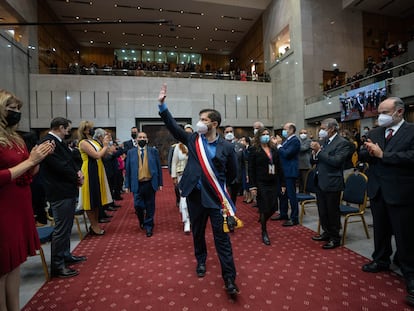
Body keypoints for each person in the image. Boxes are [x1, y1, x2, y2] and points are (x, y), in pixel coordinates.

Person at [157, 83, 240, 295]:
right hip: (194, 195)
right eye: (200, 119)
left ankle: (229, 279)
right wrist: (162, 106)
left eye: (204, 120)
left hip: (216, 199)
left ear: (214, 123)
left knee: (222, 239)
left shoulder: (228, 147)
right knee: (198, 232)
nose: (199, 123)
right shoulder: (193, 139)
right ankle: (201, 260)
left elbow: (232, 174)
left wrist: (222, 187)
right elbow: (174, 128)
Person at [0, 89, 54, 311]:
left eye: (18, 109)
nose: (15, 112)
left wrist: (38, 158)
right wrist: (30, 160)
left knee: (15, 265)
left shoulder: (15, 138)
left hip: (20, 204)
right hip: (4, 207)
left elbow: (28, 173)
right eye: (11, 108)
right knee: (2, 268)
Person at [359, 97, 414, 307]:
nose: (380, 116)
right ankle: (380, 259)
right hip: (378, 190)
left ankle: (410, 274)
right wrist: (369, 151)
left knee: (405, 235)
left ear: (399, 112)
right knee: (380, 230)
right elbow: (362, 152)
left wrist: (384, 154)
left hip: (402, 192)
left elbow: (411, 156)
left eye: (384, 112)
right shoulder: (375, 132)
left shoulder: (411, 131)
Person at [39, 117, 87, 278]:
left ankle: (65, 255)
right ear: (60, 127)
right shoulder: (48, 142)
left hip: (67, 189)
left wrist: (77, 172)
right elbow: (59, 166)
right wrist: (76, 176)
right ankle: (58, 265)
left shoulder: (58, 142)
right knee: (61, 229)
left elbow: (70, 160)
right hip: (59, 191)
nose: (68, 132)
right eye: (67, 129)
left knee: (66, 227)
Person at [310, 118, 353, 249]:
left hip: (332, 182)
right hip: (320, 180)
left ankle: (335, 238)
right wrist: (314, 154)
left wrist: (319, 151)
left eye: (323, 128)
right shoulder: (323, 141)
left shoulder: (343, 143)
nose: (320, 131)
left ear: (332, 128)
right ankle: (326, 232)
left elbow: (336, 161)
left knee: (332, 211)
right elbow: (317, 160)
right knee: (322, 211)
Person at [249, 128, 286, 245]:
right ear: (258, 136)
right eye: (263, 134)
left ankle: (262, 217)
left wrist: (283, 183)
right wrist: (253, 186)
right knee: (264, 206)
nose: (265, 136)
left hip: (273, 181)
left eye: (267, 134)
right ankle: (264, 231)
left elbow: (279, 167)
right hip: (261, 182)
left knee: (274, 207)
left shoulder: (274, 149)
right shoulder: (254, 150)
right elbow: (251, 169)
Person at [124, 131, 162, 237]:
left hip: (150, 183)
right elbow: (128, 170)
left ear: (147, 139)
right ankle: (141, 219)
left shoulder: (153, 151)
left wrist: (160, 183)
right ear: (136, 140)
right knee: (138, 205)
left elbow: (158, 168)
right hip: (137, 184)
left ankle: (149, 226)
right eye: (140, 137)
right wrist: (127, 185)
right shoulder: (131, 152)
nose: (142, 139)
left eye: (144, 137)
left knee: (150, 206)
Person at [78, 122, 112, 235]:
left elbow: (104, 154)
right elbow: (97, 155)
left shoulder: (93, 141)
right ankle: (93, 225)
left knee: (97, 199)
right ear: (84, 131)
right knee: (90, 199)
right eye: (90, 128)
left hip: (98, 169)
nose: (92, 130)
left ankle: (95, 224)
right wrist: (105, 146)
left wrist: (106, 146)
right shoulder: (83, 142)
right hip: (89, 170)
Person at [272, 123, 301, 226]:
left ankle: (294, 218)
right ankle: (283, 213)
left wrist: (279, 145)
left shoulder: (295, 141)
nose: (283, 131)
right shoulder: (286, 141)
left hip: (289, 171)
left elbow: (287, 154)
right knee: (282, 194)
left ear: (292, 130)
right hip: (282, 171)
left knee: (291, 195)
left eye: (285, 129)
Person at [171, 124, 193, 233]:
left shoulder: (196, 145)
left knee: (193, 199)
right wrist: (173, 176)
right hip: (182, 176)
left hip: (194, 177)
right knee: (184, 197)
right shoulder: (178, 147)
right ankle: (186, 221)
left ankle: (193, 218)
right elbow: (174, 162)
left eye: (190, 132)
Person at [223, 125, 243, 205]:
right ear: (224, 133)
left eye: (231, 132)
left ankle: (232, 213)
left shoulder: (240, 146)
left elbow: (243, 161)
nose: (229, 133)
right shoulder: (220, 145)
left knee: (233, 198)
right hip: (224, 176)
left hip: (236, 177)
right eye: (227, 132)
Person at [297, 128, 312, 193]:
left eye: (305, 133)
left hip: (305, 164)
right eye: (301, 133)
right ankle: (300, 194)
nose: (303, 134)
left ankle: (306, 193)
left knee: (305, 181)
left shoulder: (309, 141)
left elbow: (303, 148)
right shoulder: (297, 140)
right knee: (299, 182)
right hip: (298, 164)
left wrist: (295, 146)